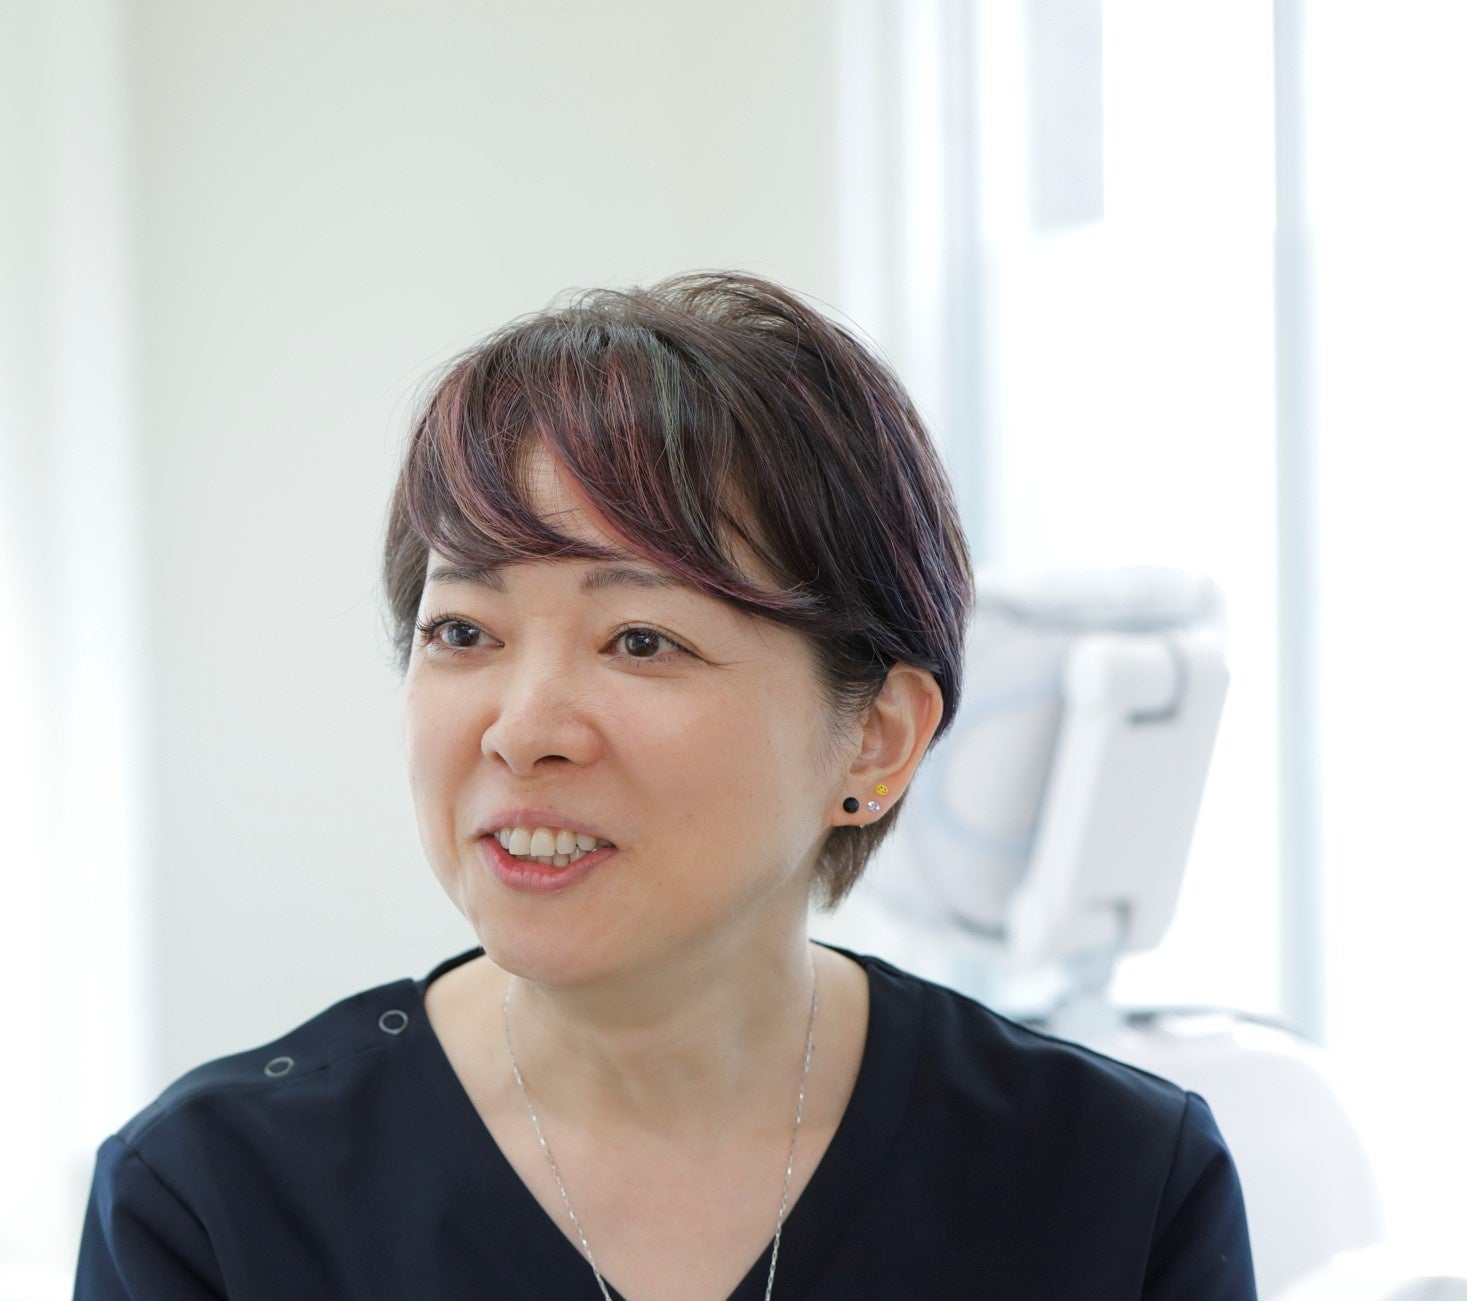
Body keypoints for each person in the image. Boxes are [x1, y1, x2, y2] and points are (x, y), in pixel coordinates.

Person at [74, 271, 1256, 1299]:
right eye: (463, 632)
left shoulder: (1114, 1182)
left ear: (877, 737)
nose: (523, 730)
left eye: (641, 639)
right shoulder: (212, 1199)